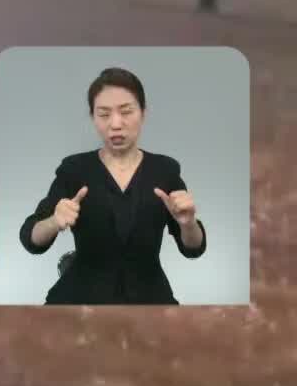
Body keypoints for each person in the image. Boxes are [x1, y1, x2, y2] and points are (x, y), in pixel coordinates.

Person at [19, 67, 206, 304]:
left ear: (143, 113)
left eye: (126, 111)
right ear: (93, 117)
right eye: (104, 114)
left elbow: (193, 248)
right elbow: (30, 238)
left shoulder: (165, 170)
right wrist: (54, 222)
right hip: (80, 297)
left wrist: (188, 224)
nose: (115, 124)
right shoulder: (74, 169)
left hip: (150, 297)